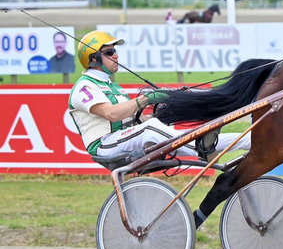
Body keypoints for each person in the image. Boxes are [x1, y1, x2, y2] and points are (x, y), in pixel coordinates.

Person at [68, 30, 250, 162]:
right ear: (93, 59)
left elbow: (140, 121)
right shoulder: (85, 87)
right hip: (105, 146)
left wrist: (167, 107)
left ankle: (249, 140)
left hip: (126, 138)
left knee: (176, 130)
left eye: (115, 51)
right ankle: (201, 150)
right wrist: (147, 98)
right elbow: (112, 114)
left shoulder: (114, 87)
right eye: (109, 52)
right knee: (152, 128)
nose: (116, 55)